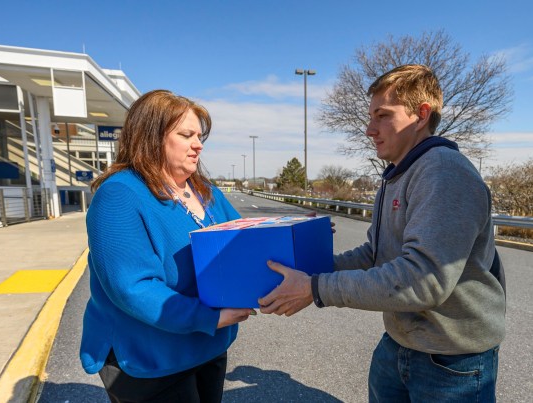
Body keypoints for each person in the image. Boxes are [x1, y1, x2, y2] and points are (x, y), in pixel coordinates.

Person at [258, 65, 506, 402]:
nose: (369, 129)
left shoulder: (443, 172)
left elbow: (423, 280)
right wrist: (311, 267)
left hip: (452, 360)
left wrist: (315, 288)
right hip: (401, 343)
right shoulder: (397, 173)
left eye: (382, 115)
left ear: (421, 115)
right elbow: (374, 255)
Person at [81, 89, 254, 402]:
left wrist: (292, 232)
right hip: (149, 355)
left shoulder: (204, 190)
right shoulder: (120, 195)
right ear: (150, 136)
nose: (198, 144)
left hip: (206, 343)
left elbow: (245, 239)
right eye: (186, 134)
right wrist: (208, 317)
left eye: (199, 135)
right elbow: (131, 287)